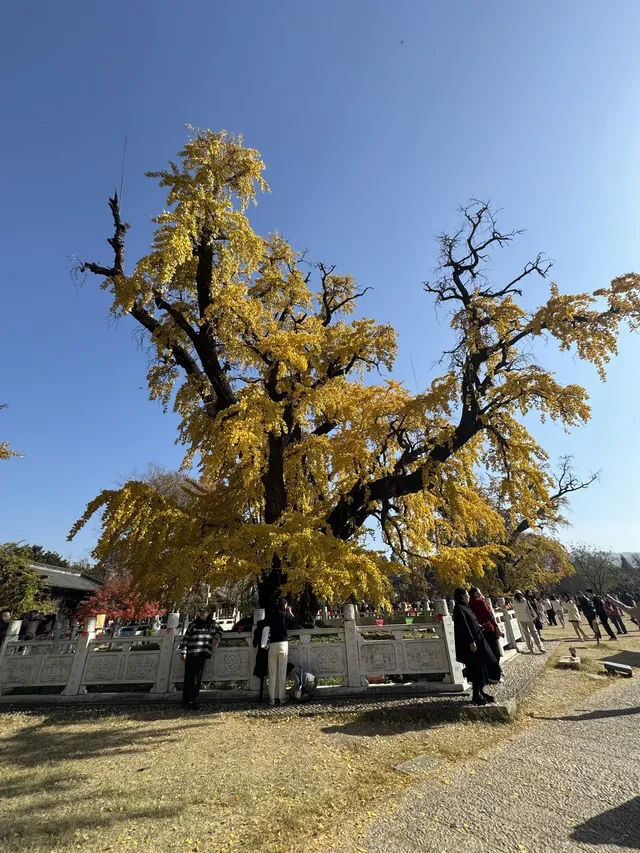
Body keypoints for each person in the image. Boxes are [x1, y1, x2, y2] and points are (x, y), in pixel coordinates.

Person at [452, 587, 496, 706]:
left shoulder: (466, 607)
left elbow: (472, 622)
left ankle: (481, 691)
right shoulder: (459, 608)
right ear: (461, 596)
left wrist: (480, 626)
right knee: (475, 667)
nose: (468, 597)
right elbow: (464, 626)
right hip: (471, 643)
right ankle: (476, 694)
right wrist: (471, 641)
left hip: (478, 639)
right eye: (466, 595)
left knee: (482, 665)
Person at [179, 607, 222, 710]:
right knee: (189, 677)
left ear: (208, 613)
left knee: (196, 678)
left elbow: (220, 630)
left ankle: (192, 700)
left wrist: (216, 638)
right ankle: (186, 700)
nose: (202, 613)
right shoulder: (193, 624)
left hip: (201, 654)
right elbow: (186, 638)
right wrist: (183, 652)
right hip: (191, 654)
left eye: (204, 612)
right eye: (201, 612)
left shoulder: (212, 625)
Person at [468, 588, 503, 683]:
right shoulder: (480, 602)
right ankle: (495, 675)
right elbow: (488, 615)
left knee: (486, 653)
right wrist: (496, 626)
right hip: (488, 628)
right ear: (476, 594)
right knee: (495, 652)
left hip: (479, 631)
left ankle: (488, 674)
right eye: (479, 592)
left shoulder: (469, 604)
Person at [266, 597, 296, 706]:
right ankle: (282, 698)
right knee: (282, 672)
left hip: (272, 644)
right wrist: (290, 612)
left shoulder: (272, 615)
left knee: (272, 673)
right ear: (285, 605)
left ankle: (272, 698)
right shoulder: (286, 615)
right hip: (283, 644)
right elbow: (294, 621)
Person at [252, 614, 269, 701]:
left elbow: (254, 644)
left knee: (262, 675)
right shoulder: (269, 628)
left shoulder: (257, 630)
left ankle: (261, 696)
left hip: (261, 653)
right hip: (269, 652)